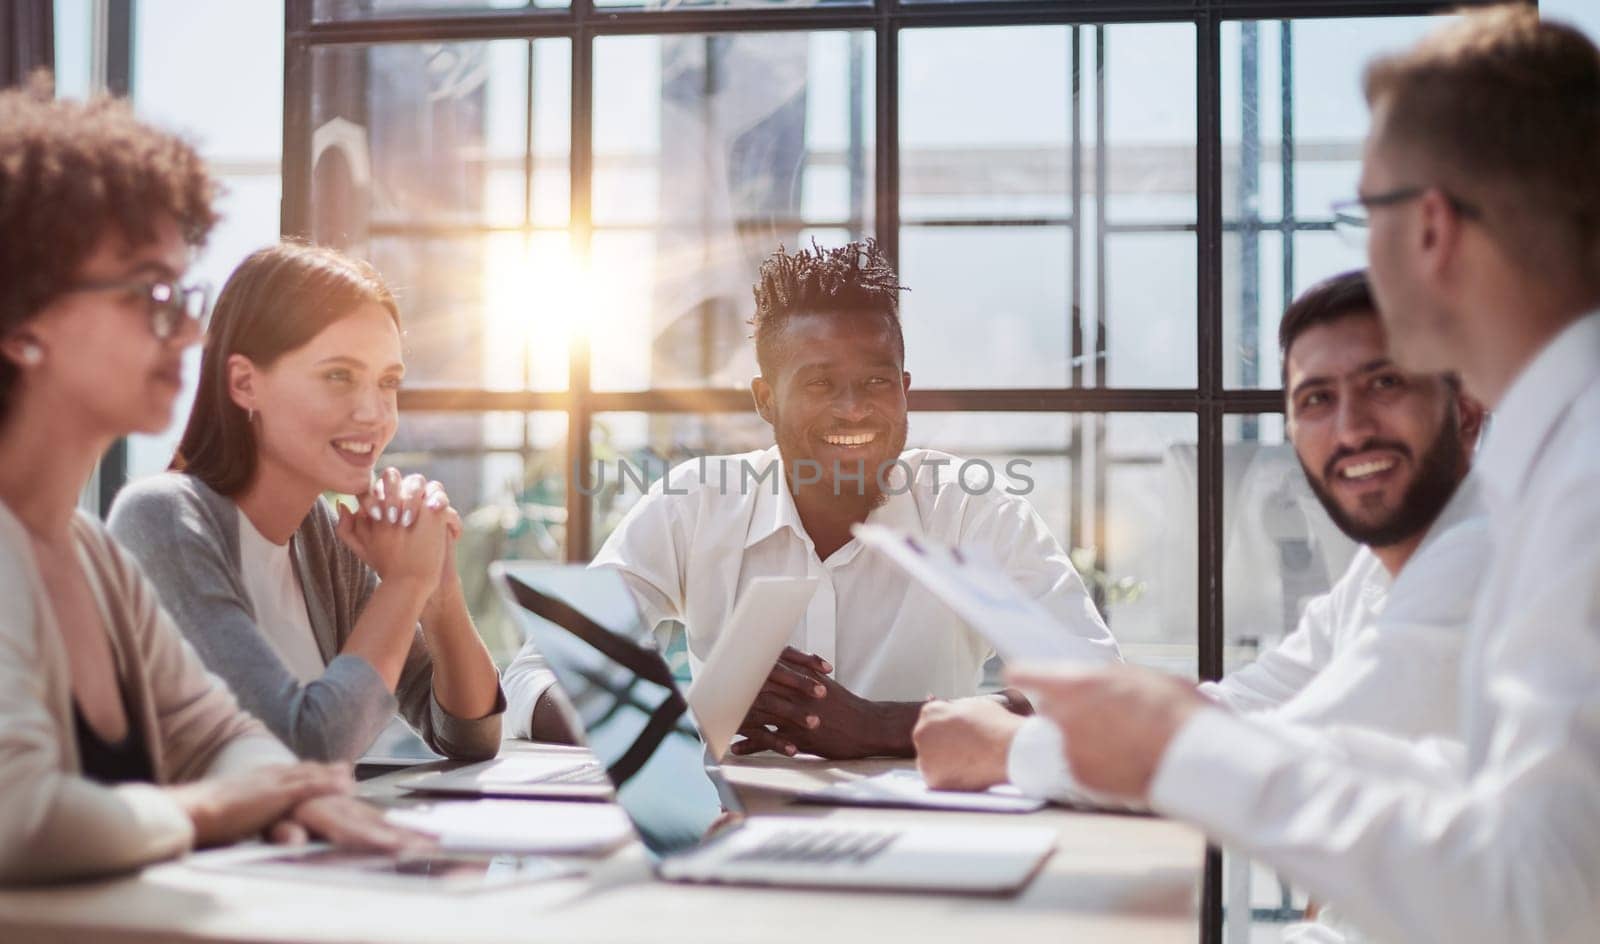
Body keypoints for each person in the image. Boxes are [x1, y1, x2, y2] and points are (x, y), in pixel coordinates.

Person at [1011, 8, 1600, 942]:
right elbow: (1496, 798)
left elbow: (1541, 896)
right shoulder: (1555, 455)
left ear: (1431, 228)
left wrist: (1166, 750)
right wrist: (1145, 733)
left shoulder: (1580, 485)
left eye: (1363, 214)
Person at [0, 81, 424, 883]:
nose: (190, 329)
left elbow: (217, 736)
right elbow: (19, 818)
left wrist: (281, 793)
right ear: (23, 320)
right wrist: (218, 808)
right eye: (148, 294)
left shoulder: (89, 553)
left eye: (182, 293)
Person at [503, 239, 1120, 757]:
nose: (853, 409)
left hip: (925, 846)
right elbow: (536, 678)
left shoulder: (975, 511)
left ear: (904, 390)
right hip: (727, 842)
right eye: (820, 382)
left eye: (876, 381)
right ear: (765, 400)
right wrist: (685, 716)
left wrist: (883, 725)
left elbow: (1095, 690)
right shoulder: (693, 505)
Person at [914, 270, 1489, 798]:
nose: (1351, 430)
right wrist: (1126, 713)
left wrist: (1012, 748)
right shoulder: (1382, 568)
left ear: (1465, 410)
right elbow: (1249, 702)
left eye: (1385, 383)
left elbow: (1288, 764)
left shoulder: (1487, 561)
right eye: (1317, 399)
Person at [108, 243, 505, 763]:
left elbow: (468, 734)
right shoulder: (162, 520)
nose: (374, 412)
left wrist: (440, 591)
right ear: (246, 383)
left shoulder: (321, 539)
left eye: (388, 382)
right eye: (338, 375)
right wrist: (405, 584)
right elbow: (298, 748)